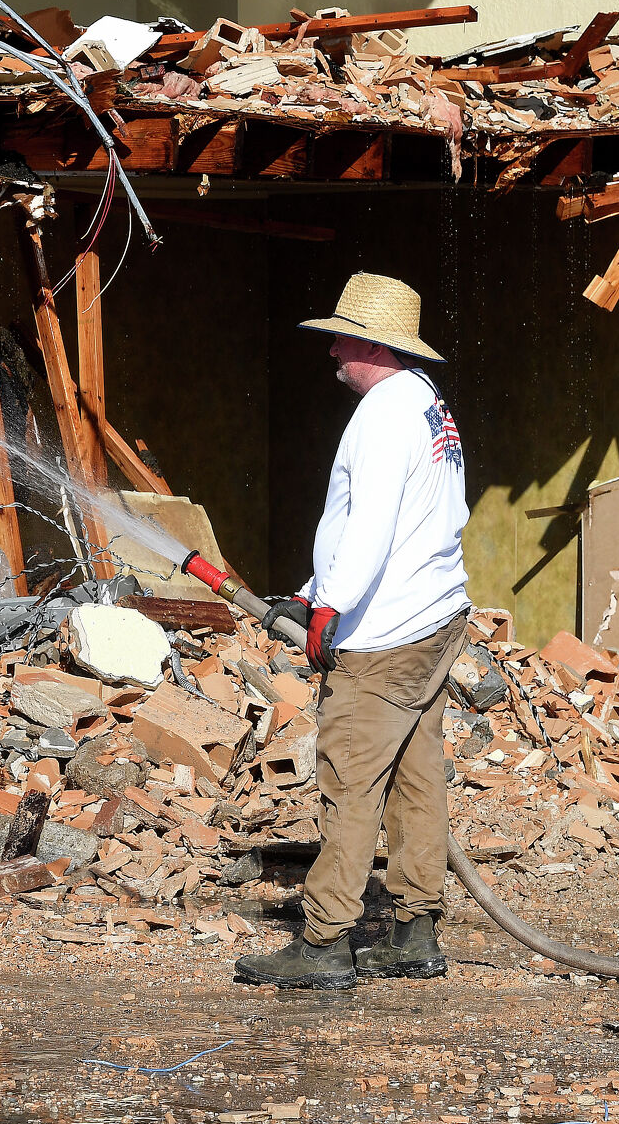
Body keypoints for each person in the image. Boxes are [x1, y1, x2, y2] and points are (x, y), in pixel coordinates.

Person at [234, 272, 472, 990]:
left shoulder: (380, 417)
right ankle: (415, 929)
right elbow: (400, 523)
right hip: (433, 617)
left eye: (340, 334)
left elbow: (368, 526)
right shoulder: (424, 402)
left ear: (371, 342)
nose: (330, 346)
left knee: (349, 780)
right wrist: (311, 592)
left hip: (387, 636)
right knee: (417, 773)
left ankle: (324, 941)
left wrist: (330, 607)